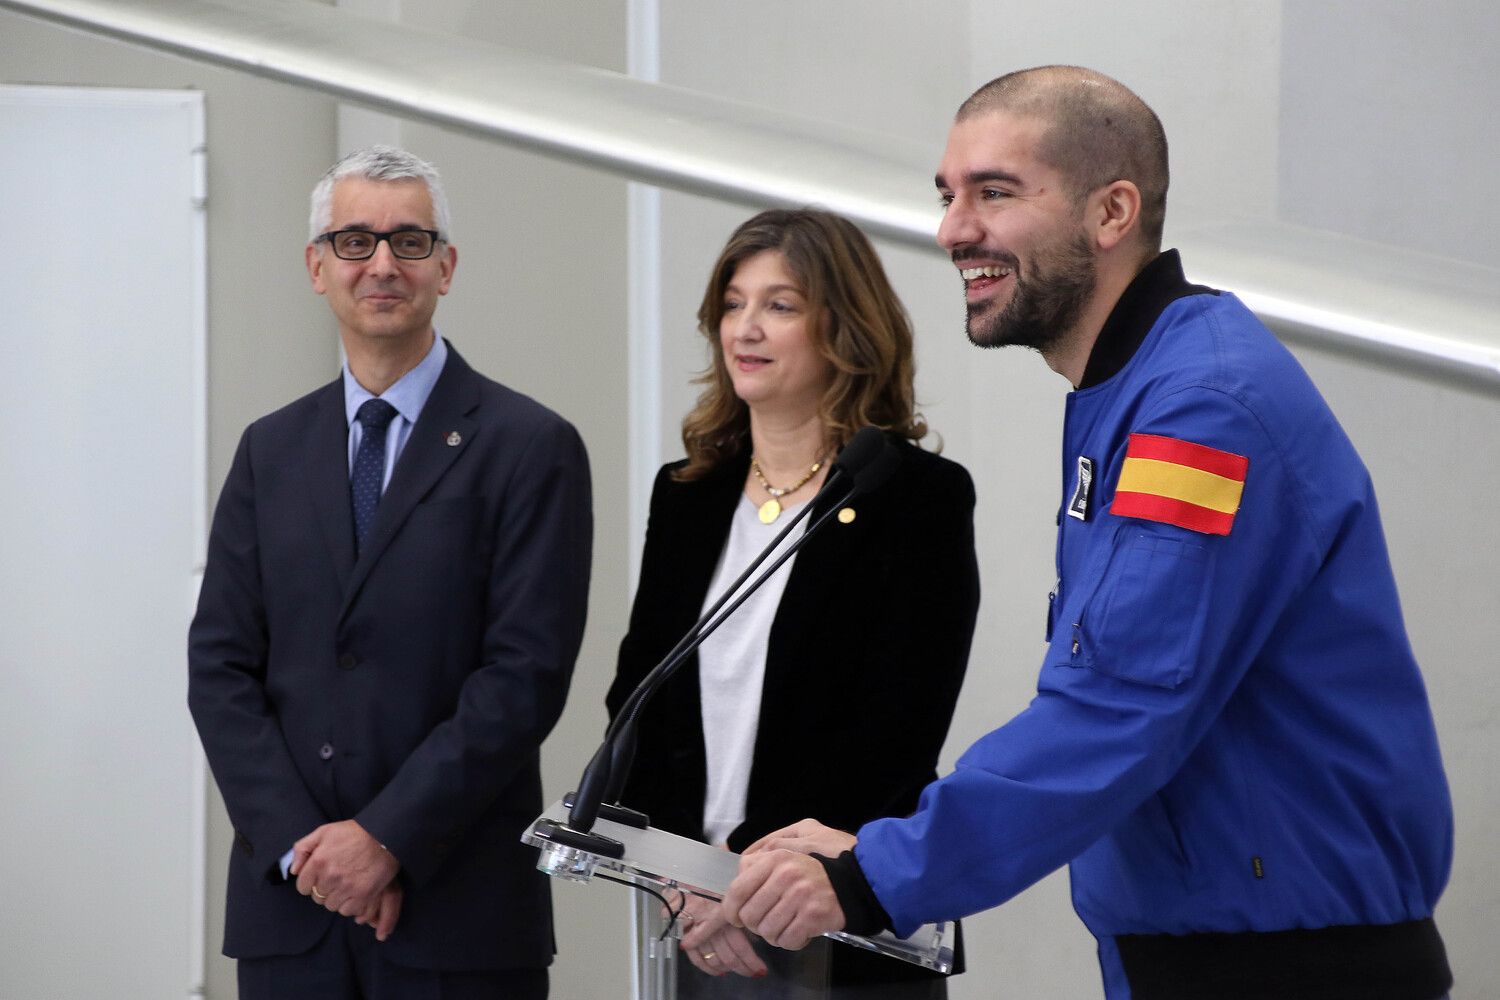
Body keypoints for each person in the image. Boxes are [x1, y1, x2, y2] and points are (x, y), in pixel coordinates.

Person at [721, 67, 1454, 1000]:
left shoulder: (1199, 410)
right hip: (1206, 954)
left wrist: (875, 873)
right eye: (948, 197)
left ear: (1112, 213)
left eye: (995, 193)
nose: (952, 230)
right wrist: (876, 850)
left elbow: (1119, 705)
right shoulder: (1139, 389)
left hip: (1280, 967)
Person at [187, 146, 592, 1000]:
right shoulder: (271, 451)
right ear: (315, 267)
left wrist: (385, 838)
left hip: (458, 919)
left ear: (446, 267)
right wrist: (306, 845)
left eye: (410, 242)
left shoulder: (529, 446)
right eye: (354, 241)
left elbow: (525, 677)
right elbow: (220, 668)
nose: (381, 264)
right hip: (293, 918)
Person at [608, 208, 980, 996]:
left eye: (779, 305)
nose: (745, 327)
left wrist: (745, 879)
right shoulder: (688, 495)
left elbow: (897, 733)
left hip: (831, 917)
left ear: (843, 327)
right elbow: (638, 699)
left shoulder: (916, 499)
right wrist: (677, 877)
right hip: (693, 920)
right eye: (733, 304)